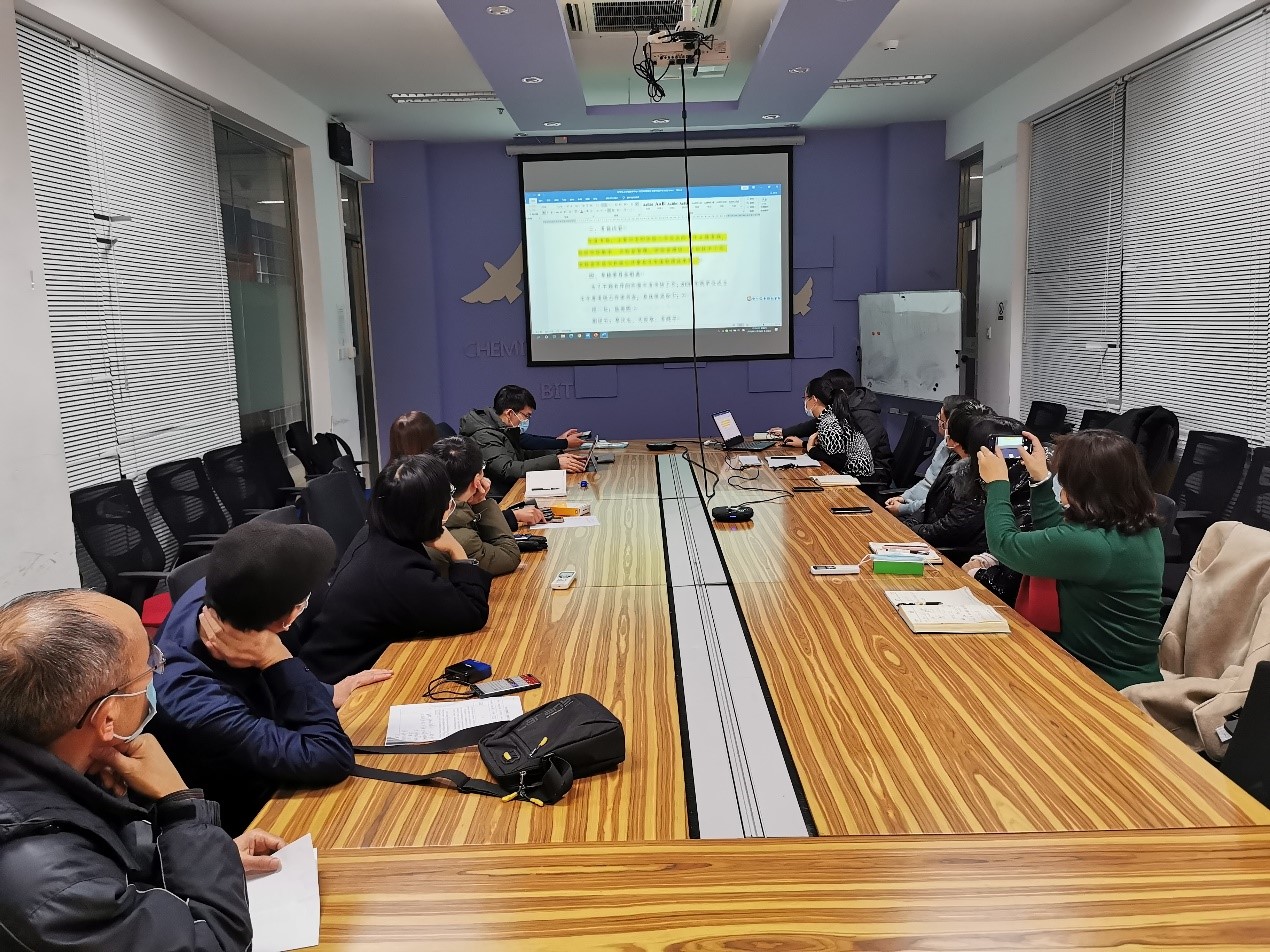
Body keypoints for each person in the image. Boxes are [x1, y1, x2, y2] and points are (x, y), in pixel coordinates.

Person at [0, 589, 277, 950]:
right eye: (150, 665)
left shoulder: (55, 760)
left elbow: (113, 874)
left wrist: (206, 864)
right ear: (108, 717)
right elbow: (216, 943)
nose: (156, 672)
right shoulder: (53, 889)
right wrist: (182, 808)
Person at [152, 521, 391, 835]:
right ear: (287, 619)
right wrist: (275, 658)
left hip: (263, 753)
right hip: (244, 817)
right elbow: (330, 757)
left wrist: (324, 691)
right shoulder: (191, 697)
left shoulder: (221, 589)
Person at [978, 429, 1165, 690]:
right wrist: (1040, 479)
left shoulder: (1095, 546)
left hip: (1105, 684)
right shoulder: (1136, 526)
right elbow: (1059, 532)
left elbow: (1004, 545)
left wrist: (997, 485)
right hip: (1101, 669)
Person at [299, 454, 492, 683]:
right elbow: (472, 613)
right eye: (446, 498)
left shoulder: (377, 533)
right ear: (428, 512)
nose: (450, 504)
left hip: (327, 666)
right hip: (340, 685)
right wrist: (456, 550)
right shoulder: (398, 570)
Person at [769, 368, 895, 484]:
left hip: (872, 477)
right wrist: (786, 433)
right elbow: (816, 425)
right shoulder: (836, 411)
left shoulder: (864, 416)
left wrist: (809, 447)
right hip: (849, 472)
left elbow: (847, 455)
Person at [903, 401, 995, 560]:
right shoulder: (955, 458)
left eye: (947, 426)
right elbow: (931, 504)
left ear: (954, 440)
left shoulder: (977, 478)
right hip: (926, 537)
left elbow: (950, 529)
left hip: (946, 554)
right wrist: (908, 525)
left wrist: (909, 531)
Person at [460, 385, 585, 498]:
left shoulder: (501, 428)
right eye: (526, 416)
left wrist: (557, 456)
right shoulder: (485, 435)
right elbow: (506, 470)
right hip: (500, 495)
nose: (526, 420)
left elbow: (521, 455)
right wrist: (555, 462)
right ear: (510, 413)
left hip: (511, 487)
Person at [427, 436, 521, 576]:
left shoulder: (419, 505)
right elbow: (509, 556)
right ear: (477, 481)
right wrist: (481, 502)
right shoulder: (462, 538)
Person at [885, 394, 977, 518]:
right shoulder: (945, 445)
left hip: (930, 517)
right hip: (919, 511)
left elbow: (937, 503)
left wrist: (902, 509)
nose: (938, 420)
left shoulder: (964, 460)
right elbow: (928, 482)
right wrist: (904, 497)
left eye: (941, 419)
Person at [789, 375, 875, 478]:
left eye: (806, 398)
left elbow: (837, 461)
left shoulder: (829, 422)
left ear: (814, 399)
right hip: (853, 475)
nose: (805, 402)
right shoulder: (831, 415)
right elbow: (831, 450)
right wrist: (805, 444)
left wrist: (811, 450)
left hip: (857, 479)